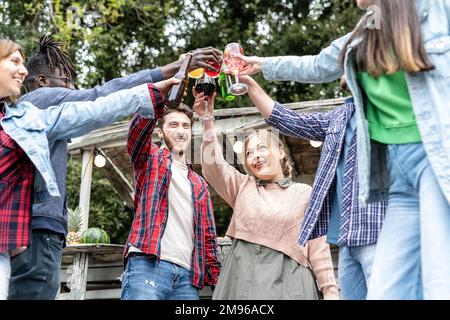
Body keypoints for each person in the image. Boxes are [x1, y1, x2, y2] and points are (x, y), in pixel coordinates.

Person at [236, 0, 450, 299]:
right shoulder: (361, 39)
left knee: (439, 279)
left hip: (426, 170)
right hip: (375, 205)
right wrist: (260, 69)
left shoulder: (434, 9)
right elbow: (308, 75)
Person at [8, 34, 222, 300]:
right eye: (66, 80)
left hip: (185, 273)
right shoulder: (41, 99)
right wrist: (170, 71)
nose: (72, 88)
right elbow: (101, 97)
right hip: (42, 230)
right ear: (41, 82)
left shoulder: (198, 183)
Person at [236, 75, 386, 300]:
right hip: (347, 239)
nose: (340, 66)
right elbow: (289, 121)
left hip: (379, 232)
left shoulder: (388, 109)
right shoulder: (340, 116)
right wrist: (250, 85)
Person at [195, 91, 339, 300]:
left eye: (262, 148)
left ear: (281, 152)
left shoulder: (304, 193)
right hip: (241, 281)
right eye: (249, 153)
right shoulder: (243, 187)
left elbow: (319, 248)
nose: (256, 156)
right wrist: (207, 119)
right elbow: (213, 166)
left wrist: (330, 291)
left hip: (290, 286)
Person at [121, 100, 220, 300]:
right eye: (173, 125)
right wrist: (158, 99)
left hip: (188, 278)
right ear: (160, 132)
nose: (180, 131)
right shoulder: (150, 160)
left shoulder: (200, 184)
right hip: (147, 263)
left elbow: (208, 236)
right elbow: (136, 136)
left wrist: (217, 282)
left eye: (185, 126)